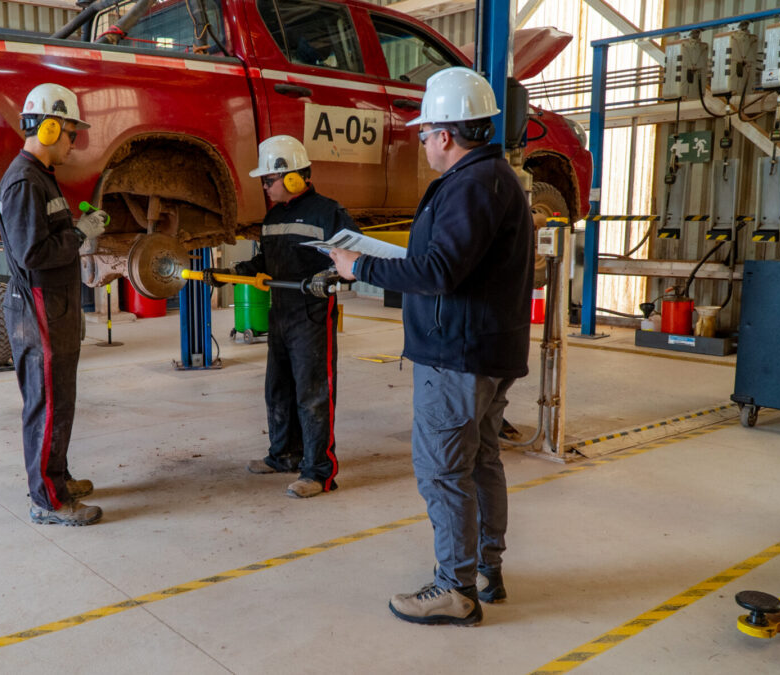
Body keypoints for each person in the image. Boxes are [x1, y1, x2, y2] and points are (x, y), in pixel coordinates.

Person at [328, 67, 534, 625]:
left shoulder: (471, 185)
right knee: (482, 460)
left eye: (423, 132)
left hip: (457, 355)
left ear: (445, 134)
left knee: (444, 471)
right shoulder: (492, 179)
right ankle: (486, 570)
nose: (420, 141)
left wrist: (359, 265)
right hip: (486, 349)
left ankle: (455, 588)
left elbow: (440, 270)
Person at [203, 135, 358, 499]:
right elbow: (265, 263)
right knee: (278, 389)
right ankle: (284, 454)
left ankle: (319, 471)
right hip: (281, 314)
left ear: (292, 177)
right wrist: (232, 271)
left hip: (312, 316)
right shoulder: (273, 218)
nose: (264, 186)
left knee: (313, 394)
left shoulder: (328, 213)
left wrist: (329, 276)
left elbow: (355, 259)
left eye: (267, 180)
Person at [0, 83, 109, 526]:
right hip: (38, 308)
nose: (72, 144)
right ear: (47, 128)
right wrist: (79, 234)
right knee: (47, 404)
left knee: (60, 400)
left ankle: (56, 475)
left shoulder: (41, 178)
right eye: (69, 134)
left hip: (54, 306)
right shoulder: (25, 181)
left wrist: (77, 227)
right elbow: (31, 253)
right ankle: (49, 501)